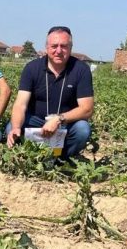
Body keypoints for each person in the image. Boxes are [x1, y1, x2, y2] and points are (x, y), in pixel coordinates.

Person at [6, 26, 93, 158]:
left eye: (64, 46)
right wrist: (16, 127)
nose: (59, 51)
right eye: (54, 46)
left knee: (82, 129)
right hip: (35, 120)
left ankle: (62, 159)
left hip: (64, 123)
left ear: (70, 48)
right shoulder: (32, 68)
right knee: (11, 128)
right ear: (47, 47)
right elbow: (20, 104)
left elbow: (87, 109)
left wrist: (59, 119)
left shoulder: (81, 70)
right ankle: (25, 156)